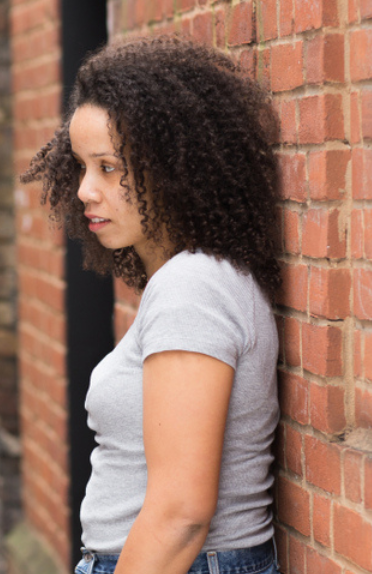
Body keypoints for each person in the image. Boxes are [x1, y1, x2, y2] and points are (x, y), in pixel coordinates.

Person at [22, 37, 283, 574]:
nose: (85, 190)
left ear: (172, 167)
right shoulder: (197, 277)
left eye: (109, 167)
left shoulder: (192, 288)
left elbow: (182, 515)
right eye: (81, 166)